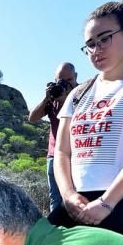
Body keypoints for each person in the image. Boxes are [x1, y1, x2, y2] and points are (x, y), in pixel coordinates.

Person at [52, 0, 123, 240]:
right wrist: (68, 195)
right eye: (90, 44)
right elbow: (61, 152)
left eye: (104, 39)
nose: (96, 50)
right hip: (77, 206)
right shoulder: (79, 92)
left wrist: (106, 203)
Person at [29, 63, 77, 211]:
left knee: (77, 198)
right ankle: (56, 231)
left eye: (68, 80)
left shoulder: (83, 94)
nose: (64, 84)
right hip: (54, 155)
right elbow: (32, 118)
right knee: (56, 199)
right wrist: (47, 99)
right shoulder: (52, 98)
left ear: (75, 77)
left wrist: (66, 100)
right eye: (60, 81)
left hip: (78, 155)